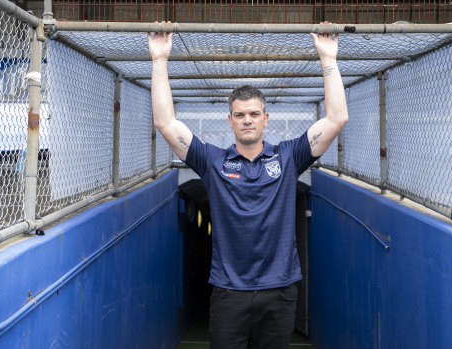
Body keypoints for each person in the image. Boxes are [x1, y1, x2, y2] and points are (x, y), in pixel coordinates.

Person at [148, 22, 348, 349]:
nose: (248, 120)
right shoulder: (211, 161)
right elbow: (165, 123)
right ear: (230, 120)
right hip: (229, 294)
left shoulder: (289, 157)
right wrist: (159, 60)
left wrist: (328, 58)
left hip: (281, 292)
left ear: (265, 119)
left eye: (254, 113)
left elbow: (336, 119)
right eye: (240, 115)